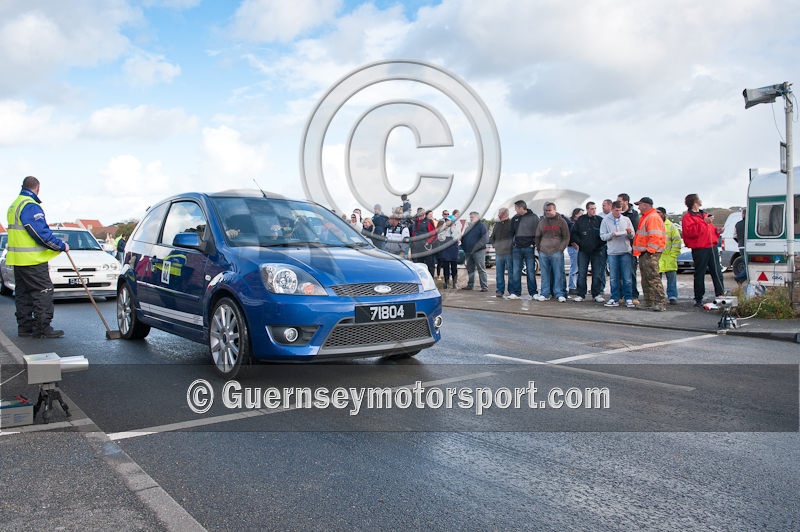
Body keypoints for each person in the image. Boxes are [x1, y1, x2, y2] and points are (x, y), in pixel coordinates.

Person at [6, 176, 68, 338]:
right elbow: (40, 233)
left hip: (18, 260)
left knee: (23, 293)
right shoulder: (30, 206)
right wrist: (61, 246)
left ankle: (25, 327)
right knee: (43, 291)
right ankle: (42, 327)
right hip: (32, 260)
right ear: (37, 188)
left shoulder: (14, 205)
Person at [681, 193, 725, 307]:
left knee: (717, 271)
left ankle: (720, 294)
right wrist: (704, 222)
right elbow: (690, 232)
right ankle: (698, 298)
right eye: (699, 199)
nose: (701, 200)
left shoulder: (704, 214)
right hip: (700, 248)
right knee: (700, 273)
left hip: (711, 246)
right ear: (695, 202)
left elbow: (710, 230)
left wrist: (717, 231)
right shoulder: (688, 217)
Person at [632, 197, 667, 311]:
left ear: (646, 205)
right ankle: (649, 301)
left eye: (640, 205)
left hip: (650, 252)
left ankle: (660, 302)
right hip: (645, 252)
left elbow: (655, 236)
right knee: (646, 278)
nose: (638, 207)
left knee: (652, 277)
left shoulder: (652, 217)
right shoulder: (647, 217)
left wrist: (650, 251)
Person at [600, 200, 635, 308]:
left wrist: (629, 233)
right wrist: (611, 235)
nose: (618, 213)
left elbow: (632, 235)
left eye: (620, 210)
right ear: (612, 209)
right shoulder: (605, 220)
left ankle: (628, 298)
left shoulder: (626, 219)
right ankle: (614, 298)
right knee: (614, 277)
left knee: (627, 277)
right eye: (616, 210)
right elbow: (602, 236)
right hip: (613, 252)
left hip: (625, 251)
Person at [571, 201, 606, 303]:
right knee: (582, 273)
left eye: (595, 208)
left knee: (597, 273)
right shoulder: (581, 220)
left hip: (597, 251)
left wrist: (599, 245)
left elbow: (604, 235)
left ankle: (596, 294)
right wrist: (580, 243)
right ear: (587, 209)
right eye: (591, 209)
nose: (593, 210)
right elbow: (574, 234)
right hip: (583, 251)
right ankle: (581, 294)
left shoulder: (600, 220)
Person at [534, 202, 570, 302]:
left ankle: (559, 293)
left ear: (555, 210)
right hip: (543, 252)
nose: (547, 212)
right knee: (544, 274)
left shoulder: (562, 221)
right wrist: (539, 248)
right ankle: (545, 293)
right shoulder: (542, 222)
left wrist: (561, 249)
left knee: (558, 273)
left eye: (549, 210)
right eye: (546, 210)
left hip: (556, 252)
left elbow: (566, 237)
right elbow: (537, 236)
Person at [509, 200, 539, 300]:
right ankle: (516, 293)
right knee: (516, 271)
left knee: (530, 271)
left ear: (521, 207)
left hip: (529, 248)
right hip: (517, 248)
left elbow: (538, 232)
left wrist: (533, 243)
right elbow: (511, 233)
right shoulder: (515, 218)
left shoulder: (533, 217)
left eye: (516, 208)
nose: (515, 210)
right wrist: (512, 244)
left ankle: (533, 292)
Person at [618, 193, 640, 303]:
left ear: (626, 202)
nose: (618, 203)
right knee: (620, 274)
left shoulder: (633, 214)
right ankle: (621, 295)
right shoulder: (616, 215)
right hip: (618, 247)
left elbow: (633, 231)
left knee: (631, 273)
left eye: (620, 201)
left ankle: (633, 295)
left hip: (630, 248)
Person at [657, 207, 682, 304]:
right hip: (658, 257)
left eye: (658, 212)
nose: (657, 214)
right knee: (657, 280)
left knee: (671, 279)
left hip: (669, 257)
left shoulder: (671, 226)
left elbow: (677, 241)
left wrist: (673, 255)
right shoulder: (654, 224)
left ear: (663, 214)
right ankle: (658, 297)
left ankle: (672, 296)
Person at [460, 212, 489, 291]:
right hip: (468, 252)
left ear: (477, 217)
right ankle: (470, 285)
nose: (471, 219)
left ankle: (484, 286)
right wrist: (463, 247)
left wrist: (476, 247)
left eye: (472, 217)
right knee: (470, 269)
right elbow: (463, 238)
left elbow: (485, 239)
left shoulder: (482, 226)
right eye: (470, 217)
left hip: (478, 251)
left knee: (481, 269)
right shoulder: (469, 227)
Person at [490, 207, 514, 298]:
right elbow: (492, 237)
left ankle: (512, 291)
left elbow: (514, 237)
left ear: (504, 214)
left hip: (509, 252)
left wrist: (509, 245)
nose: (498, 214)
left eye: (499, 213)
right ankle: (499, 291)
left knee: (511, 273)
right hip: (499, 252)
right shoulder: (497, 224)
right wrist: (495, 244)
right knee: (499, 273)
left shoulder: (511, 224)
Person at [411, 209, 437, 276]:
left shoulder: (428, 222)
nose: (421, 216)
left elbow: (433, 234)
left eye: (423, 214)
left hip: (427, 247)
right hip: (417, 247)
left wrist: (428, 242)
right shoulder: (415, 223)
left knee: (430, 264)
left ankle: (431, 279)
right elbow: (413, 234)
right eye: (420, 214)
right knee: (419, 265)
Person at [437, 216, 460, 289]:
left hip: (453, 248)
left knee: (454, 267)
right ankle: (446, 282)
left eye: (448, 220)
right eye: (446, 220)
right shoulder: (443, 228)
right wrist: (444, 231)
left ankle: (454, 283)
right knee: (445, 266)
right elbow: (440, 238)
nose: (447, 222)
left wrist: (452, 229)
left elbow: (456, 237)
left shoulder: (456, 228)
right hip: (445, 249)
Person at [566, 207, 583, 294]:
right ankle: (572, 287)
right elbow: (570, 236)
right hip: (573, 248)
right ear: (576, 214)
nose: (582, 215)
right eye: (580, 213)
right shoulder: (572, 224)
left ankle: (575, 286)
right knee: (574, 268)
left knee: (577, 268)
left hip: (576, 247)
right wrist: (574, 244)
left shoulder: (577, 223)